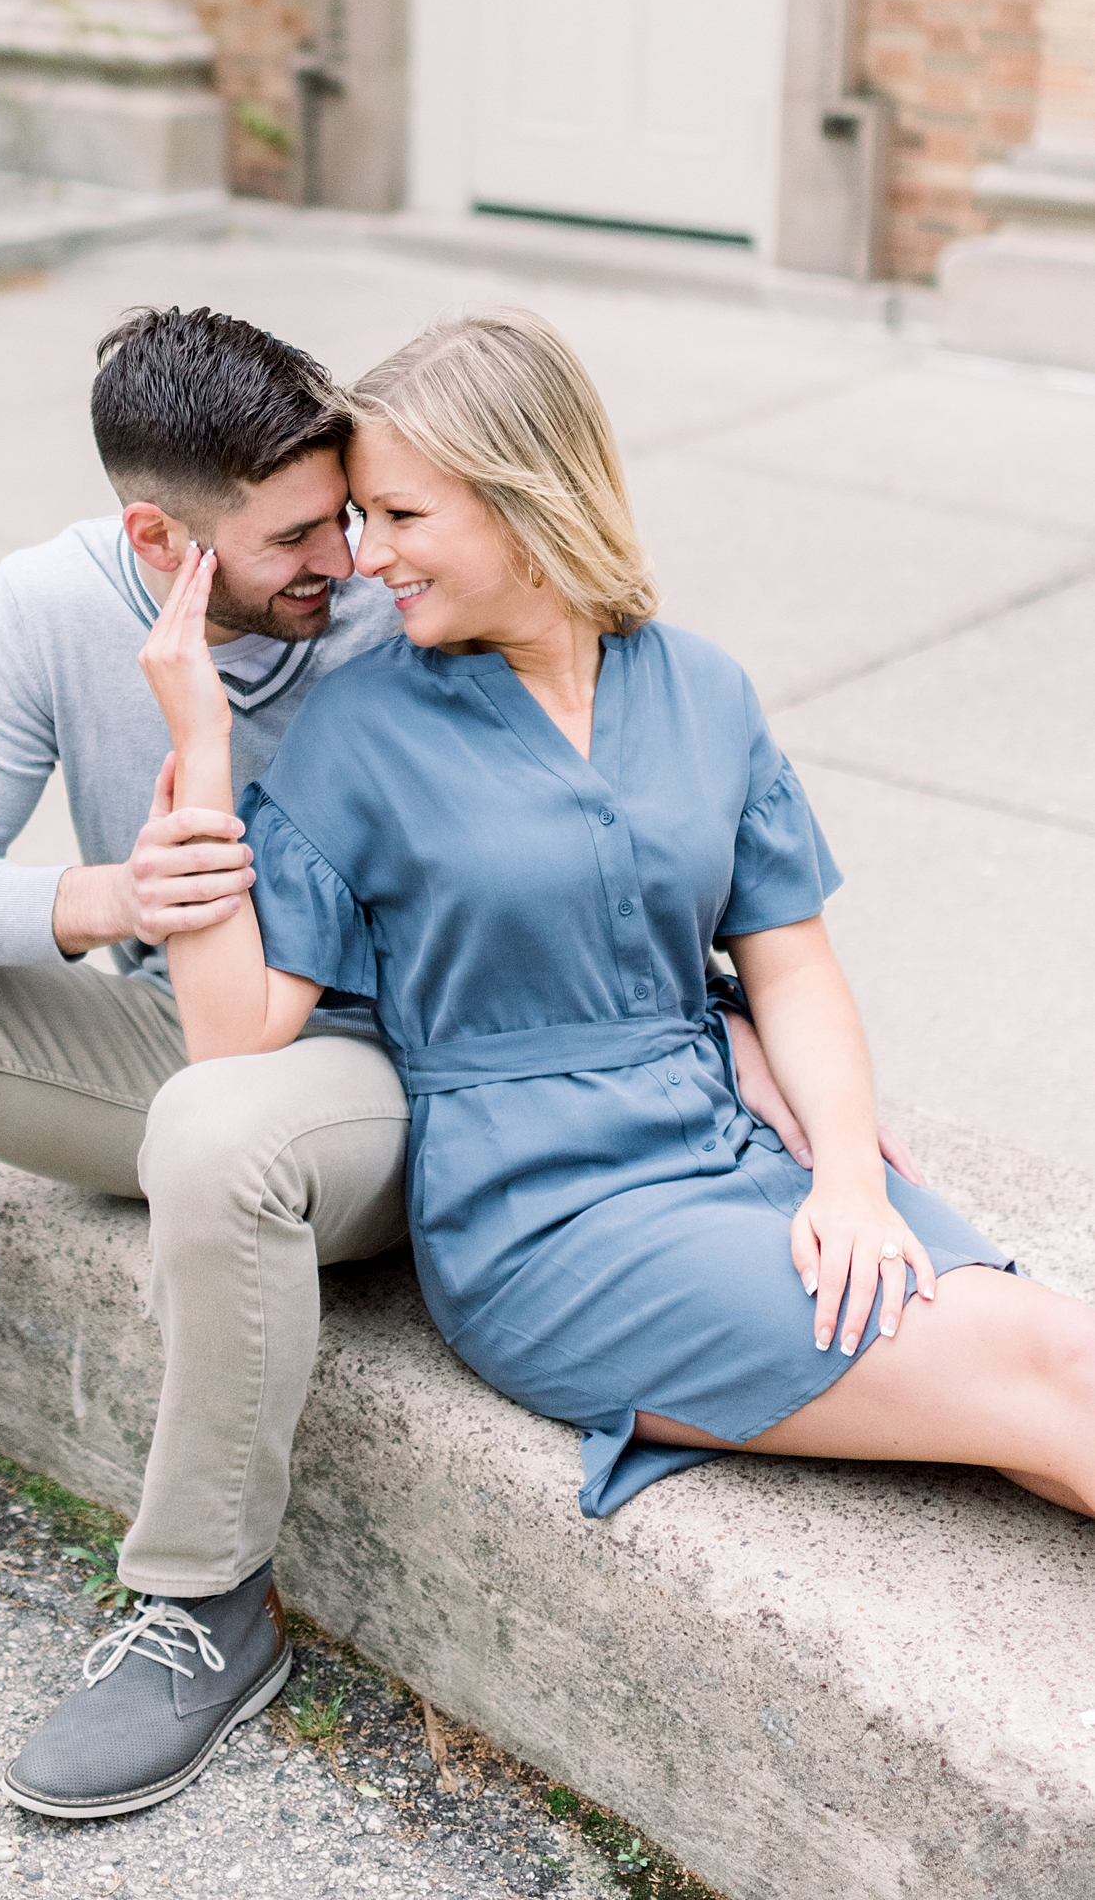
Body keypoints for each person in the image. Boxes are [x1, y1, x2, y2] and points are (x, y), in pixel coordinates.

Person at [0, 305, 921, 1822]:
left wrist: (713, 1008)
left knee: (221, 1126)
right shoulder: (46, 608)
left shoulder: (395, 608)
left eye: (354, 514)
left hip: (391, 1067)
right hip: (187, 1021)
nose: (343, 562)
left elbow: (593, 814)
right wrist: (107, 899)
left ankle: (205, 1603)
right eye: (294, 538)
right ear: (160, 538)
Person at [139, 307, 1095, 1529]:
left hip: (745, 1145)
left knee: (1049, 1389)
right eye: (363, 520)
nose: (367, 556)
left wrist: (849, 1175)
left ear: (527, 500)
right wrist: (204, 748)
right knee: (1053, 1371)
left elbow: (793, 967)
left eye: (402, 516)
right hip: (551, 1217)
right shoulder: (362, 729)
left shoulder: (703, 689)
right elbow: (228, 1042)